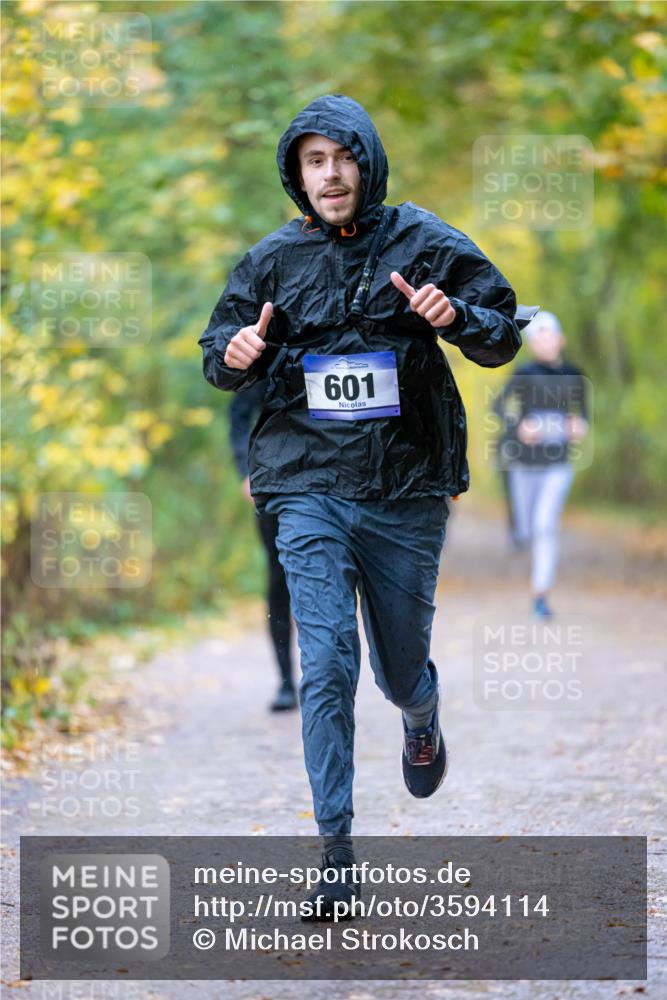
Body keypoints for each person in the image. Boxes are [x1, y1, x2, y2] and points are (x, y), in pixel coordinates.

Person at [199, 94, 522, 917]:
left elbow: (499, 333)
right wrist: (235, 353)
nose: (330, 173)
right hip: (303, 485)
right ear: (296, 175)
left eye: (342, 157)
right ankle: (335, 854)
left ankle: (421, 713)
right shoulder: (270, 260)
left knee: (396, 669)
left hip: (405, 489)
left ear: (365, 161)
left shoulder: (422, 240)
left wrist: (456, 316)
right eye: (314, 161)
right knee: (328, 661)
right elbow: (218, 355)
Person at [493, 310, 589, 617]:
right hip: (524, 464)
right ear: (532, 344)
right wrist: (519, 426)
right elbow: (498, 407)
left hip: (558, 464)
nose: (545, 341)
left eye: (549, 335)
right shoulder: (523, 373)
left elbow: (584, 416)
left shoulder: (575, 375)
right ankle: (517, 533)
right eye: (538, 337)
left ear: (561, 339)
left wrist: (580, 426)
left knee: (545, 525)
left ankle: (540, 595)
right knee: (527, 528)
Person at [229, 377, 297, 711]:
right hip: (274, 486)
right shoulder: (265, 349)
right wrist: (246, 471)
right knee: (278, 580)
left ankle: (329, 680)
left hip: (333, 482)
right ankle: (286, 681)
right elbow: (239, 415)